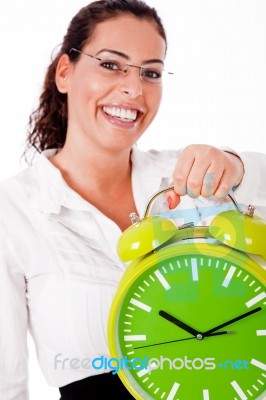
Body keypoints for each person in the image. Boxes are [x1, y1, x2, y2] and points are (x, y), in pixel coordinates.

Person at [0, 0, 266, 399]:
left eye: (151, 72)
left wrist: (236, 166)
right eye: (111, 64)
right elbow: (7, 381)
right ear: (65, 73)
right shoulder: (15, 209)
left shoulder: (189, 179)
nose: (134, 88)